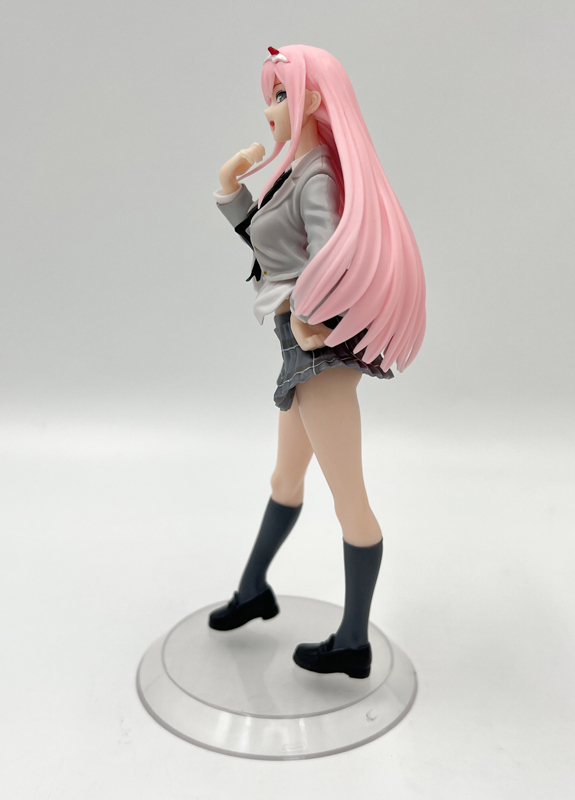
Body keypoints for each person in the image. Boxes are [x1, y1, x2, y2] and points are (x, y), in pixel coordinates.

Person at [207, 45, 426, 680]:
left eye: (280, 95)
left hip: (319, 361)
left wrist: (309, 314)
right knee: (285, 479)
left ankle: (353, 641)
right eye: (269, 96)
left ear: (308, 99)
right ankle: (253, 590)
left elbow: (330, 257)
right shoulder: (295, 171)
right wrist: (230, 190)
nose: (269, 110)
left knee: (350, 501)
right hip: (297, 356)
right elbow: (273, 249)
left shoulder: (318, 176)